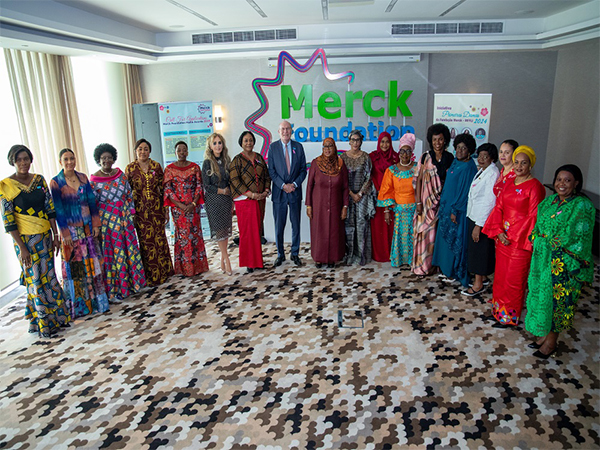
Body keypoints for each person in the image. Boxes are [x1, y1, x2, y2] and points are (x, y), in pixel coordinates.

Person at [0, 145, 71, 337]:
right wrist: (22, 247)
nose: (23, 163)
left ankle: (59, 318)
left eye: (26, 159)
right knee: (35, 279)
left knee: (49, 276)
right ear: (13, 162)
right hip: (25, 241)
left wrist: (56, 235)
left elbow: (49, 209)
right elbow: (8, 221)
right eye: (19, 160)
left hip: (45, 237)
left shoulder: (39, 180)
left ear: (30, 160)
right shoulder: (6, 186)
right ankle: (43, 323)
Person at [525, 165, 594, 358]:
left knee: (559, 303)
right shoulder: (549, 202)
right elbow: (538, 227)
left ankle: (551, 343)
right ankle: (545, 335)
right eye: (559, 179)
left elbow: (575, 236)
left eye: (567, 180)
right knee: (542, 298)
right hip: (544, 260)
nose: (561, 184)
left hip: (564, 264)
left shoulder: (582, 205)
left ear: (576, 183)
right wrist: (537, 238)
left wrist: (546, 240)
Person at [482, 146, 545, 328]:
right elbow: (499, 207)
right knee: (500, 278)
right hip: (503, 240)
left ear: (530, 165)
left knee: (514, 282)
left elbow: (534, 216)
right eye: (516, 162)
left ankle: (509, 318)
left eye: (523, 163)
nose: (518, 166)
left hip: (520, 243)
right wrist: (499, 231)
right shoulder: (510, 182)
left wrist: (513, 235)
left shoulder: (535, 187)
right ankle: (498, 312)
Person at [51, 148, 109, 318]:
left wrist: (96, 224)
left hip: (88, 229)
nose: (70, 162)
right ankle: (80, 307)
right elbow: (58, 211)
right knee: (75, 270)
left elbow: (92, 203)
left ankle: (98, 303)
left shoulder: (83, 177)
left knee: (93, 265)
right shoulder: (56, 182)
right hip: (71, 233)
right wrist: (65, 233)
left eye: (72, 158)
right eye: (66, 159)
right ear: (60, 162)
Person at [90, 143, 146, 300]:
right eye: (103, 158)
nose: (106, 161)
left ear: (113, 158)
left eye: (109, 158)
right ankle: (117, 289)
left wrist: (132, 214)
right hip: (107, 224)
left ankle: (134, 284)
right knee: (114, 254)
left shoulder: (121, 175)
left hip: (124, 219)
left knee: (130, 251)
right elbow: (92, 204)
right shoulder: (94, 180)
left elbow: (129, 195)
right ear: (98, 160)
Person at [125, 138, 174, 286]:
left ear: (149, 151)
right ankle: (150, 275)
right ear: (135, 151)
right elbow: (127, 193)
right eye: (140, 149)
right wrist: (131, 213)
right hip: (140, 212)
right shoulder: (130, 168)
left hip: (156, 210)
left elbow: (163, 189)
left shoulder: (156, 166)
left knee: (160, 239)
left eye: (145, 149)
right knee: (146, 242)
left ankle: (165, 271)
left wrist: (165, 210)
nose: (143, 151)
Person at [431, 133, 478, 287]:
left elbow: (464, 192)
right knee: (445, 241)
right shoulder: (456, 162)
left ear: (469, 150)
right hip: (445, 208)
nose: (459, 151)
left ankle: (454, 272)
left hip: (456, 211)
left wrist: (455, 210)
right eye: (457, 147)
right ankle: (446, 270)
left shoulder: (468, 166)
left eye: (463, 148)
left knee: (454, 242)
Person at [412, 123, 454, 276]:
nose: (437, 143)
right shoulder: (425, 157)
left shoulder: (450, 158)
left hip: (443, 204)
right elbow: (418, 181)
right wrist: (418, 202)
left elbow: (451, 181)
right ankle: (423, 266)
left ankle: (438, 266)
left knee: (440, 236)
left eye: (441, 139)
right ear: (431, 140)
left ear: (445, 140)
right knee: (425, 235)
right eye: (435, 140)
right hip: (425, 205)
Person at [164, 141, 209, 277]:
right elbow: (168, 190)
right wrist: (180, 205)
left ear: (188, 152)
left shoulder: (195, 168)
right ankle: (184, 268)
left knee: (195, 235)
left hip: (193, 208)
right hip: (178, 210)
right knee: (182, 237)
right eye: (179, 150)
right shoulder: (169, 170)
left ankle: (198, 267)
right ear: (175, 152)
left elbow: (199, 187)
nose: (182, 152)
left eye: (184, 150)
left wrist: (193, 203)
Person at [229, 131, 271, 273]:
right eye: (246, 140)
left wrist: (265, 191)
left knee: (257, 231)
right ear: (241, 142)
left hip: (260, 199)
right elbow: (235, 181)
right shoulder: (237, 160)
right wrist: (251, 194)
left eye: (251, 140)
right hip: (245, 201)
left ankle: (258, 261)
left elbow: (266, 175)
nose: (248, 143)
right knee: (247, 232)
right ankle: (249, 262)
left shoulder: (259, 157)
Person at [268, 120, 307, 267]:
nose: (285, 131)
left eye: (288, 129)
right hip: (279, 194)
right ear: (279, 132)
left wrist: (295, 184)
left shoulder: (299, 147)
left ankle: (295, 253)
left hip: (295, 193)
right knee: (279, 226)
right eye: (283, 129)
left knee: (296, 224)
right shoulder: (273, 148)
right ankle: (280, 254)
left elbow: (303, 170)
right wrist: (283, 185)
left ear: (291, 131)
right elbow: (271, 170)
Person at [305, 138, 349, 268]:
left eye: (330, 146)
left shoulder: (341, 164)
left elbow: (346, 186)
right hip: (318, 205)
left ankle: (332, 259)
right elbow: (309, 186)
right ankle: (319, 258)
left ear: (334, 148)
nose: (327, 149)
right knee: (319, 231)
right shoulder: (315, 163)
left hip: (336, 205)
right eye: (325, 146)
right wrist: (309, 205)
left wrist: (345, 206)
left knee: (334, 231)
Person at [463, 143, 500, 296]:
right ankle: (483, 278)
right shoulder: (483, 171)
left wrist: (479, 225)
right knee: (478, 250)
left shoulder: (492, 173)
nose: (481, 159)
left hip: (482, 219)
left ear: (492, 158)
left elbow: (489, 201)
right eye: (480, 155)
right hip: (474, 215)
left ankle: (478, 285)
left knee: (480, 251)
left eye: (486, 156)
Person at [376, 133, 417, 267]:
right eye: (402, 151)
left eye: (408, 151)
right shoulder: (392, 170)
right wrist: (386, 211)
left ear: (412, 152)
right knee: (400, 236)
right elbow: (386, 191)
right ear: (398, 152)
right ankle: (400, 259)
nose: (405, 154)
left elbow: (423, 188)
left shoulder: (418, 169)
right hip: (399, 211)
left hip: (415, 210)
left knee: (413, 236)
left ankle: (413, 260)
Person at [341, 130, 376, 265]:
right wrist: (351, 193)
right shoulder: (343, 158)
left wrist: (359, 194)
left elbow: (368, 177)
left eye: (358, 140)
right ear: (349, 141)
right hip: (348, 196)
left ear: (361, 142)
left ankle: (362, 256)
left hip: (362, 197)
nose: (355, 143)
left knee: (361, 225)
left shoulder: (366, 157)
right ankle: (349, 255)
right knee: (349, 225)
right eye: (353, 140)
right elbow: (342, 179)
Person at [202, 133, 233, 275]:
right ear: (210, 146)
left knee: (225, 230)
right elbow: (206, 185)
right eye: (214, 143)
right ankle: (227, 259)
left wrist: (229, 192)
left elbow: (232, 180)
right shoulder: (207, 163)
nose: (217, 145)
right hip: (213, 201)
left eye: (219, 142)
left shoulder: (227, 160)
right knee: (219, 229)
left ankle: (222, 257)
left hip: (226, 200)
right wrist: (221, 190)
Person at [369, 131, 399, 263]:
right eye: (382, 141)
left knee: (391, 226)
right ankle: (379, 255)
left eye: (387, 142)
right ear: (378, 143)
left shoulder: (397, 157)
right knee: (378, 227)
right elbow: (368, 175)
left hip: (393, 199)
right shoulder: (372, 157)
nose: (385, 144)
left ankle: (392, 254)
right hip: (377, 198)